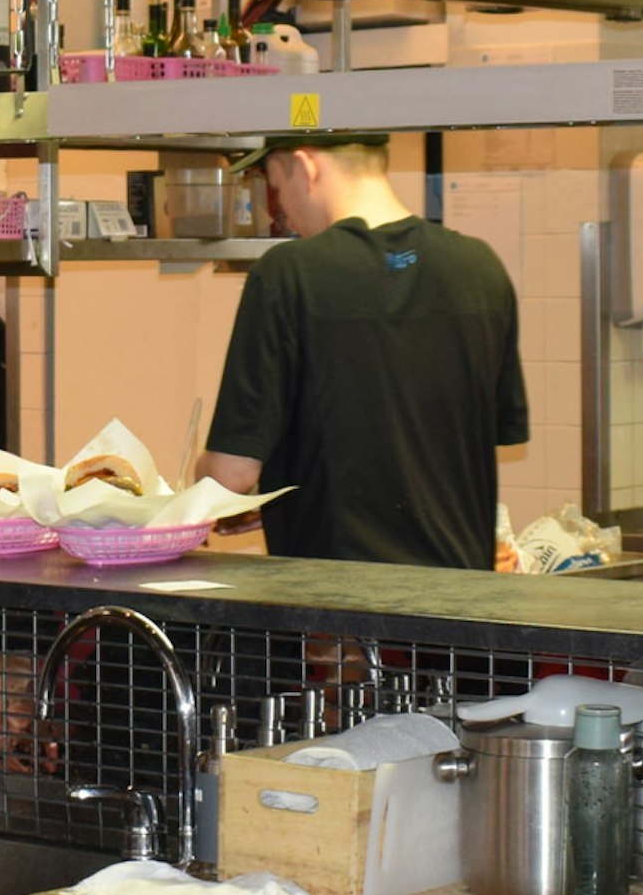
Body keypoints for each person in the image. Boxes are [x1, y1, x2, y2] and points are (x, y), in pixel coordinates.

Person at [195, 132, 528, 568]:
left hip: (343, 610)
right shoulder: (481, 267)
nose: (283, 214)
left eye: (277, 189)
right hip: (459, 603)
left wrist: (185, 501)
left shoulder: (288, 274)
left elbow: (230, 477)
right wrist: (287, 497)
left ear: (307, 165)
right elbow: (421, 444)